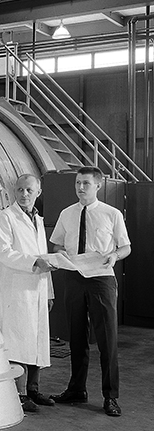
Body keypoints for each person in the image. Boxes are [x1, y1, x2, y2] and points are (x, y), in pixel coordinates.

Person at [50, 167, 131, 417]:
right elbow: (57, 244)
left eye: (86, 183)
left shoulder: (111, 214)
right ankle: (76, 389)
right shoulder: (66, 213)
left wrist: (114, 256)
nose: (80, 187)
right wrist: (60, 253)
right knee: (76, 336)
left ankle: (110, 396)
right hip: (74, 277)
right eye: (77, 183)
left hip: (101, 279)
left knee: (107, 339)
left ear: (98, 186)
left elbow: (126, 246)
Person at [0, 173, 55, 414]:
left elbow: (44, 255)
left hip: (37, 287)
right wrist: (34, 263)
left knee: (36, 338)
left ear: (38, 192)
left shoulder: (38, 219)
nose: (24, 194)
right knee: (17, 340)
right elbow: (3, 252)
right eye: (19, 190)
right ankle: (18, 394)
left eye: (29, 190)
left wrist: (49, 290)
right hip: (15, 289)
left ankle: (33, 389)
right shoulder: (6, 217)